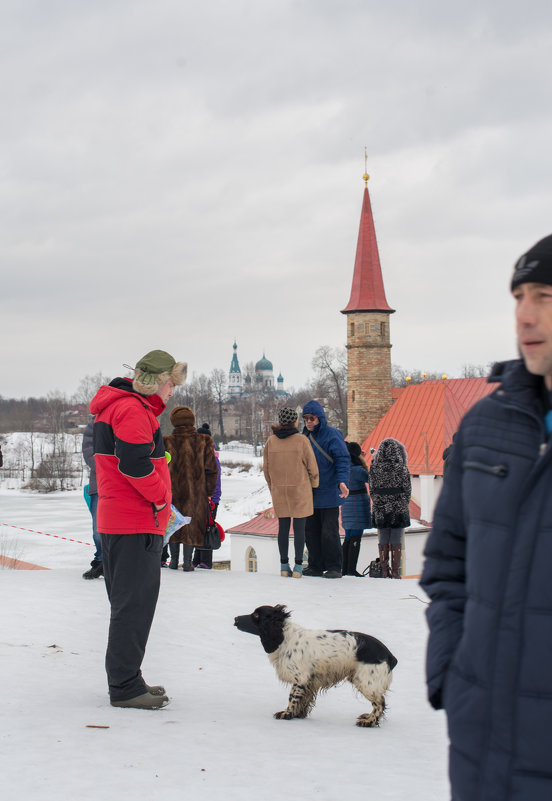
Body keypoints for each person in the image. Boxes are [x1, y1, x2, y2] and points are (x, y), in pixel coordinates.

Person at [420, 233, 552, 801]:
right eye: (518, 296)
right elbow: (448, 564)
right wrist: (454, 671)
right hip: (483, 744)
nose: (524, 315)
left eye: (544, 296)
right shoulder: (486, 425)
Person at [90, 349, 186, 710]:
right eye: (169, 384)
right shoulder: (131, 409)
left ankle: (129, 676)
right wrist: (162, 500)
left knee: (128, 604)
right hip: (135, 521)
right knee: (134, 605)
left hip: (122, 519)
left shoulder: (121, 406)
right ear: (155, 382)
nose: (172, 392)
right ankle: (125, 686)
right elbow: (133, 464)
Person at [263, 406, 319, 578]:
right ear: (294, 421)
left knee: (283, 529)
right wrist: (314, 485)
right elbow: (312, 467)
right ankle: (298, 567)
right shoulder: (301, 440)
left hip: (280, 490)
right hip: (300, 489)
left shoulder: (271, 442)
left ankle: (283, 565)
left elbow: (266, 469)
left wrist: (273, 485)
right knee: (300, 529)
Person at [163, 406, 218, 572]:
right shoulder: (204, 440)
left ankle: (173, 561)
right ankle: (187, 563)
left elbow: (160, 468)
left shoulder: (166, 441)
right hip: (196, 493)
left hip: (172, 493)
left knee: (173, 523)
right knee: (192, 525)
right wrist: (208, 492)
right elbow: (211, 469)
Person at [301, 400, 350, 579]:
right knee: (311, 531)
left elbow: (342, 460)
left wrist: (342, 481)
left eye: (312, 418)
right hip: (310, 493)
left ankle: (334, 567)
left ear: (320, 418)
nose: (309, 422)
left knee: (329, 531)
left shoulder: (332, 435)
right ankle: (315, 565)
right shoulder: (304, 438)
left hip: (329, 491)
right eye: (306, 418)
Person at [369, 438, 411, 579]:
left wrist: (377, 501)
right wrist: (403, 502)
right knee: (396, 538)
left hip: (380, 505)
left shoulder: (374, 468)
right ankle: (395, 572)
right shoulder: (402, 468)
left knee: (383, 538)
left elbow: (372, 488)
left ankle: (384, 570)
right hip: (398, 505)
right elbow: (407, 489)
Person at [192, 423, 222, 569]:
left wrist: (209, 496)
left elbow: (213, 478)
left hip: (210, 498)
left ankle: (205, 561)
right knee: (200, 527)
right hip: (202, 497)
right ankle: (197, 559)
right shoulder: (202, 455)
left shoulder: (211, 457)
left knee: (206, 528)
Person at [340, 441, 371, 577]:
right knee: (356, 537)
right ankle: (351, 569)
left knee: (348, 537)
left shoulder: (343, 468)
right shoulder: (358, 470)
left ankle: (344, 568)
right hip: (358, 505)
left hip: (346, 504)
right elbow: (372, 479)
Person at [81, 418, 103, 579]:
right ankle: (101, 560)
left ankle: (115, 562)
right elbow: (88, 450)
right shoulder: (95, 422)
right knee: (98, 529)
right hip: (100, 484)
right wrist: (109, 466)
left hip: (125, 484)